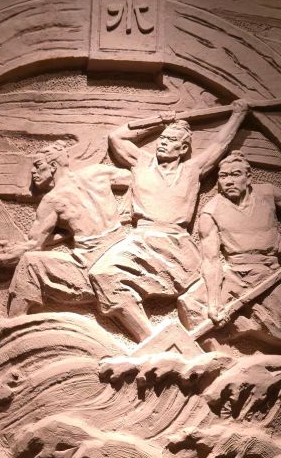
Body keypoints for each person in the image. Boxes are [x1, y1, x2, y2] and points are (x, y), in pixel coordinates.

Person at [88, 101, 249, 341]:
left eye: (170, 139)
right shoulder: (140, 162)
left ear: (183, 148)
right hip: (141, 241)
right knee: (102, 274)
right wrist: (158, 122)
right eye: (162, 138)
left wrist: (238, 115)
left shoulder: (193, 169)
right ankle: (150, 338)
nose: (163, 142)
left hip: (177, 245)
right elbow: (116, 137)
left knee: (200, 297)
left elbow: (220, 144)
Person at [0, 140, 129, 316]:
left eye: (38, 165)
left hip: (92, 260)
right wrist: (125, 210)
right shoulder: (98, 172)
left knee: (30, 264)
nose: (33, 171)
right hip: (123, 248)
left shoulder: (53, 200)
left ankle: (12, 323)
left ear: (53, 166)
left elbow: (33, 246)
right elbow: (136, 178)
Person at [179, 151, 281, 346]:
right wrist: (214, 303)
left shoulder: (268, 194)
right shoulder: (211, 211)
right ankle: (220, 354)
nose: (229, 181)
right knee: (191, 303)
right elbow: (211, 260)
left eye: (235, 174)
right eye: (224, 176)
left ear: (248, 178)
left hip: (270, 270)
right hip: (236, 273)